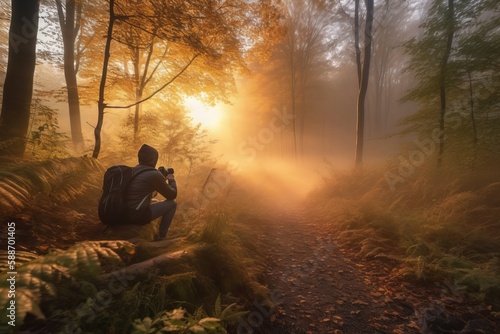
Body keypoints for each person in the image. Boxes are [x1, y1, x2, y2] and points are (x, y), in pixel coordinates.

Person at [126, 144, 177, 240]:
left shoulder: (133, 170)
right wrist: (171, 179)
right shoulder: (153, 174)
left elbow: (143, 193)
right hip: (136, 215)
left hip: (125, 211)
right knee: (172, 204)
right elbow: (172, 195)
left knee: (157, 202)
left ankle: (155, 231)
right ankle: (161, 236)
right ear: (154, 159)